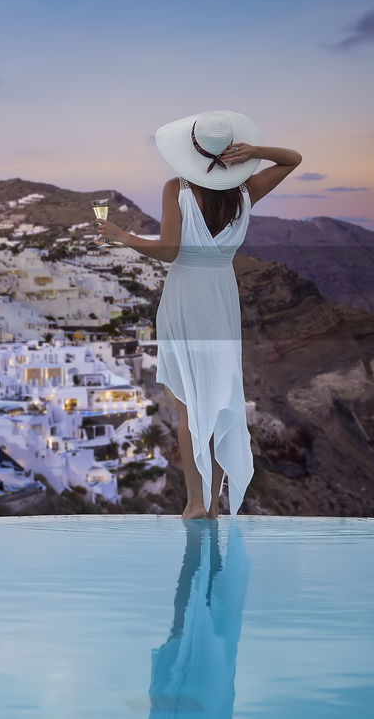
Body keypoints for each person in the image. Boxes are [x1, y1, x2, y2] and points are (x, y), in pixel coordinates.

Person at [95, 110, 302, 519]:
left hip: (187, 296)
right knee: (222, 401)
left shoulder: (177, 188)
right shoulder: (245, 192)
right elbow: (293, 159)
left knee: (190, 405)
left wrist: (121, 236)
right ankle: (213, 504)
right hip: (222, 297)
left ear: (190, 151)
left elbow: (170, 250)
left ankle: (194, 502)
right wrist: (256, 152)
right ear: (232, 150)